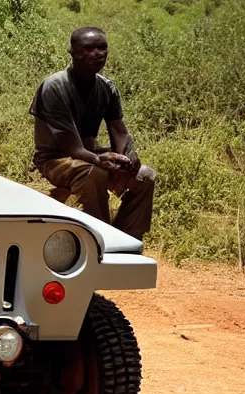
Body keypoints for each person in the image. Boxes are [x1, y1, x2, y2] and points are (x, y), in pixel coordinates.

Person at [29, 27, 156, 240]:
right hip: (54, 160)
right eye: (89, 48)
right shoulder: (55, 87)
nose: (97, 53)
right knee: (93, 172)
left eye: (102, 47)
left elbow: (118, 129)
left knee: (145, 175)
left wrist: (128, 155)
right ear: (73, 52)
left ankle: (128, 239)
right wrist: (99, 159)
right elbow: (73, 148)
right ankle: (101, 238)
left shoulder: (107, 88)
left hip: (88, 155)